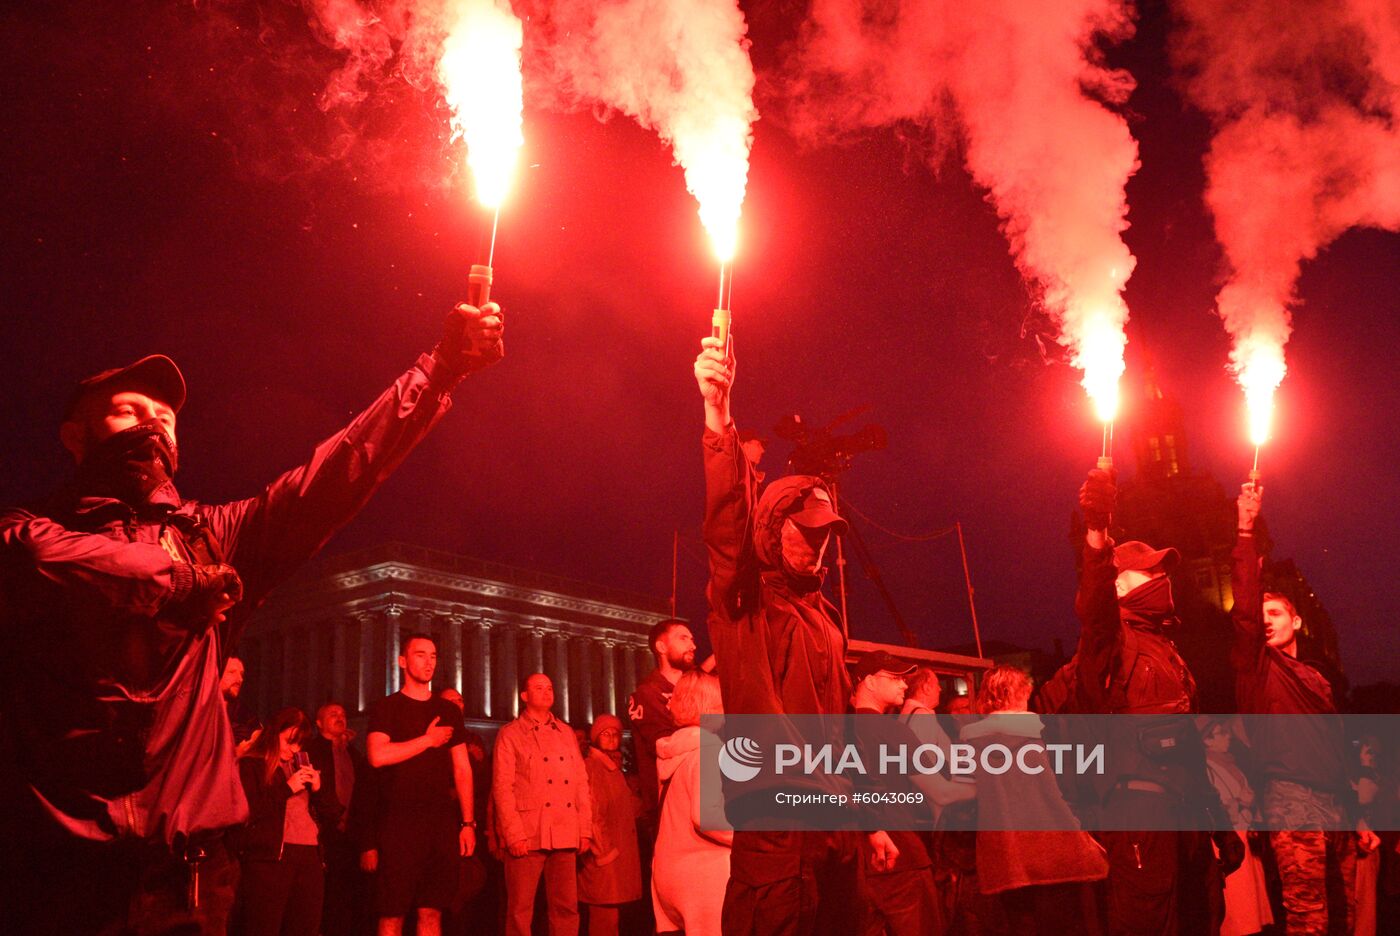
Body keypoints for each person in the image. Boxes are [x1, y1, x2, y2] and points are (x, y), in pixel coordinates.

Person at [0, 298, 502, 935]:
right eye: (129, 410)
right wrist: (181, 581)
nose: (152, 425)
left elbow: (335, 475)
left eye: (165, 417)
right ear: (75, 436)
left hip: (188, 885)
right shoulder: (29, 532)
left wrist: (438, 374)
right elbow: (44, 561)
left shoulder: (215, 535)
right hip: (56, 881)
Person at [694, 336, 897, 936]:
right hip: (779, 848)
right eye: (805, 531)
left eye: (826, 532)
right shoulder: (744, 607)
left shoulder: (825, 620)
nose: (819, 542)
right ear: (772, 531)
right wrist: (717, 415)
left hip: (832, 840)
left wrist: (868, 820)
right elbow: (726, 526)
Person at [1076, 467, 1239, 935]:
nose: (1162, 577)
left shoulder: (1167, 650)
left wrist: (1220, 825)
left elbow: (1190, 752)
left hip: (1187, 819)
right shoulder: (1109, 644)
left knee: (1202, 918)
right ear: (1120, 585)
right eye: (1149, 571)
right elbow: (1094, 612)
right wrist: (1096, 533)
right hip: (1142, 824)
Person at [1231, 482, 1378, 935]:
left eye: (1275, 612)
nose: (1266, 619)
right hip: (1291, 802)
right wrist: (1245, 528)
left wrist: (1357, 814)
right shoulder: (1257, 666)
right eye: (1262, 614)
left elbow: (1336, 751)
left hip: (1335, 803)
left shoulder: (1317, 678)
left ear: (1296, 621)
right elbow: (1245, 611)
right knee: (1308, 917)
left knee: (1344, 913)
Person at [959, 665, 1107, 935]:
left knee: (1019, 924)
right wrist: (1080, 835)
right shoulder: (1031, 736)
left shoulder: (971, 742)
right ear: (1016, 694)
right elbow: (1050, 795)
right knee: (1058, 922)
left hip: (1003, 851)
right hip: (1047, 847)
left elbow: (969, 792)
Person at [366, 633, 477, 936]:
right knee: (392, 913)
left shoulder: (449, 711)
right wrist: (428, 740)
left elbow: (462, 769)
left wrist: (468, 823)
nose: (428, 662)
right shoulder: (386, 708)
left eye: (432, 656)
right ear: (402, 661)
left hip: (440, 824)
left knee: (432, 911)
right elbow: (377, 755)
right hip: (399, 824)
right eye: (420, 654)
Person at [849, 650, 943, 936]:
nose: (904, 685)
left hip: (858, 864)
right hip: (903, 856)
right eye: (895, 678)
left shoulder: (837, 730)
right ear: (869, 682)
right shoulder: (893, 733)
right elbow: (941, 790)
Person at [493, 673, 593, 936]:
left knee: (566, 908)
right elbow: (503, 788)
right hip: (528, 832)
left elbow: (581, 783)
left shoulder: (567, 732)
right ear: (524, 696)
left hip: (564, 830)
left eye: (550, 687)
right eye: (539, 688)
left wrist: (584, 829)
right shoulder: (510, 734)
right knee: (519, 911)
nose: (547, 692)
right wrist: (513, 834)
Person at [235, 707, 344, 936]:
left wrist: (318, 788)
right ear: (275, 733)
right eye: (289, 741)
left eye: (299, 744)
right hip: (270, 860)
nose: (293, 749)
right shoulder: (253, 764)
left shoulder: (300, 763)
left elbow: (333, 814)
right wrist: (286, 788)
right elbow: (248, 811)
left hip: (309, 856)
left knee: (306, 927)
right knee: (263, 927)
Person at [652, 669, 731, 936]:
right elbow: (707, 817)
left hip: (666, 872)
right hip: (703, 877)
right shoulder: (708, 750)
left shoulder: (670, 750)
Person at [303, 701, 374, 936]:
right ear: (319, 722)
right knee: (326, 900)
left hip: (352, 836)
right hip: (323, 835)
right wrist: (337, 815)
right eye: (333, 714)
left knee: (352, 899)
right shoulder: (311, 751)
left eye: (343, 714)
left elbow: (364, 796)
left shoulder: (355, 754)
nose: (340, 717)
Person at [1201, 718, 1273, 936]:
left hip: (1245, 838)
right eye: (1221, 733)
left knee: (1251, 902)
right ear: (1207, 740)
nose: (1228, 736)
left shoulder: (1231, 764)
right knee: (1238, 905)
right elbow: (1210, 807)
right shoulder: (1206, 769)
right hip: (1229, 841)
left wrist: (1250, 803)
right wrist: (1238, 802)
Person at [579, 714, 643, 936]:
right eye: (606, 734)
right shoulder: (594, 766)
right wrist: (604, 852)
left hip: (615, 858)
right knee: (604, 920)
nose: (612, 738)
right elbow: (593, 811)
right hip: (605, 859)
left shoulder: (613, 769)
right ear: (595, 737)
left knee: (612, 920)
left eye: (616, 734)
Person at [627, 618, 696, 817]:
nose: (692, 645)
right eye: (683, 638)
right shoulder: (647, 694)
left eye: (692, 639)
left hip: (701, 795)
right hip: (669, 805)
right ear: (661, 647)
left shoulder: (696, 687)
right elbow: (666, 746)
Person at [223, 656, 263, 754]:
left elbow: (259, 735)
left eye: (241, 674)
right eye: (232, 672)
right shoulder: (201, 709)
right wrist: (235, 755)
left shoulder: (242, 710)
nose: (240, 679)